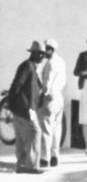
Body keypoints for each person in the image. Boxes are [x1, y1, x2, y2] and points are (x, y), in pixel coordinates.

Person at [8, 40, 46, 174]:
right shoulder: (28, 67)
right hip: (24, 108)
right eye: (39, 54)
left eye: (43, 54)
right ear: (33, 54)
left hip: (21, 108)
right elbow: (17, 85)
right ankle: (31, 166)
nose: (42, 57)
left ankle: (21, 165)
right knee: (35, 132)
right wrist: (12, 102)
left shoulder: (31, 67)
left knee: (21, 136)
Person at [39, 38, 67, 169]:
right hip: (59, 97)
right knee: (57, 128)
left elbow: (47, 82)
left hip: (50, 97)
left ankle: (45, 158)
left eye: (45, 50)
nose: (43, 53)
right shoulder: (61, 61)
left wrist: (43, 93)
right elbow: (64, 80)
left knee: (46, 128)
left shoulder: (50, 63)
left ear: (50, 49)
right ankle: (55, 156)